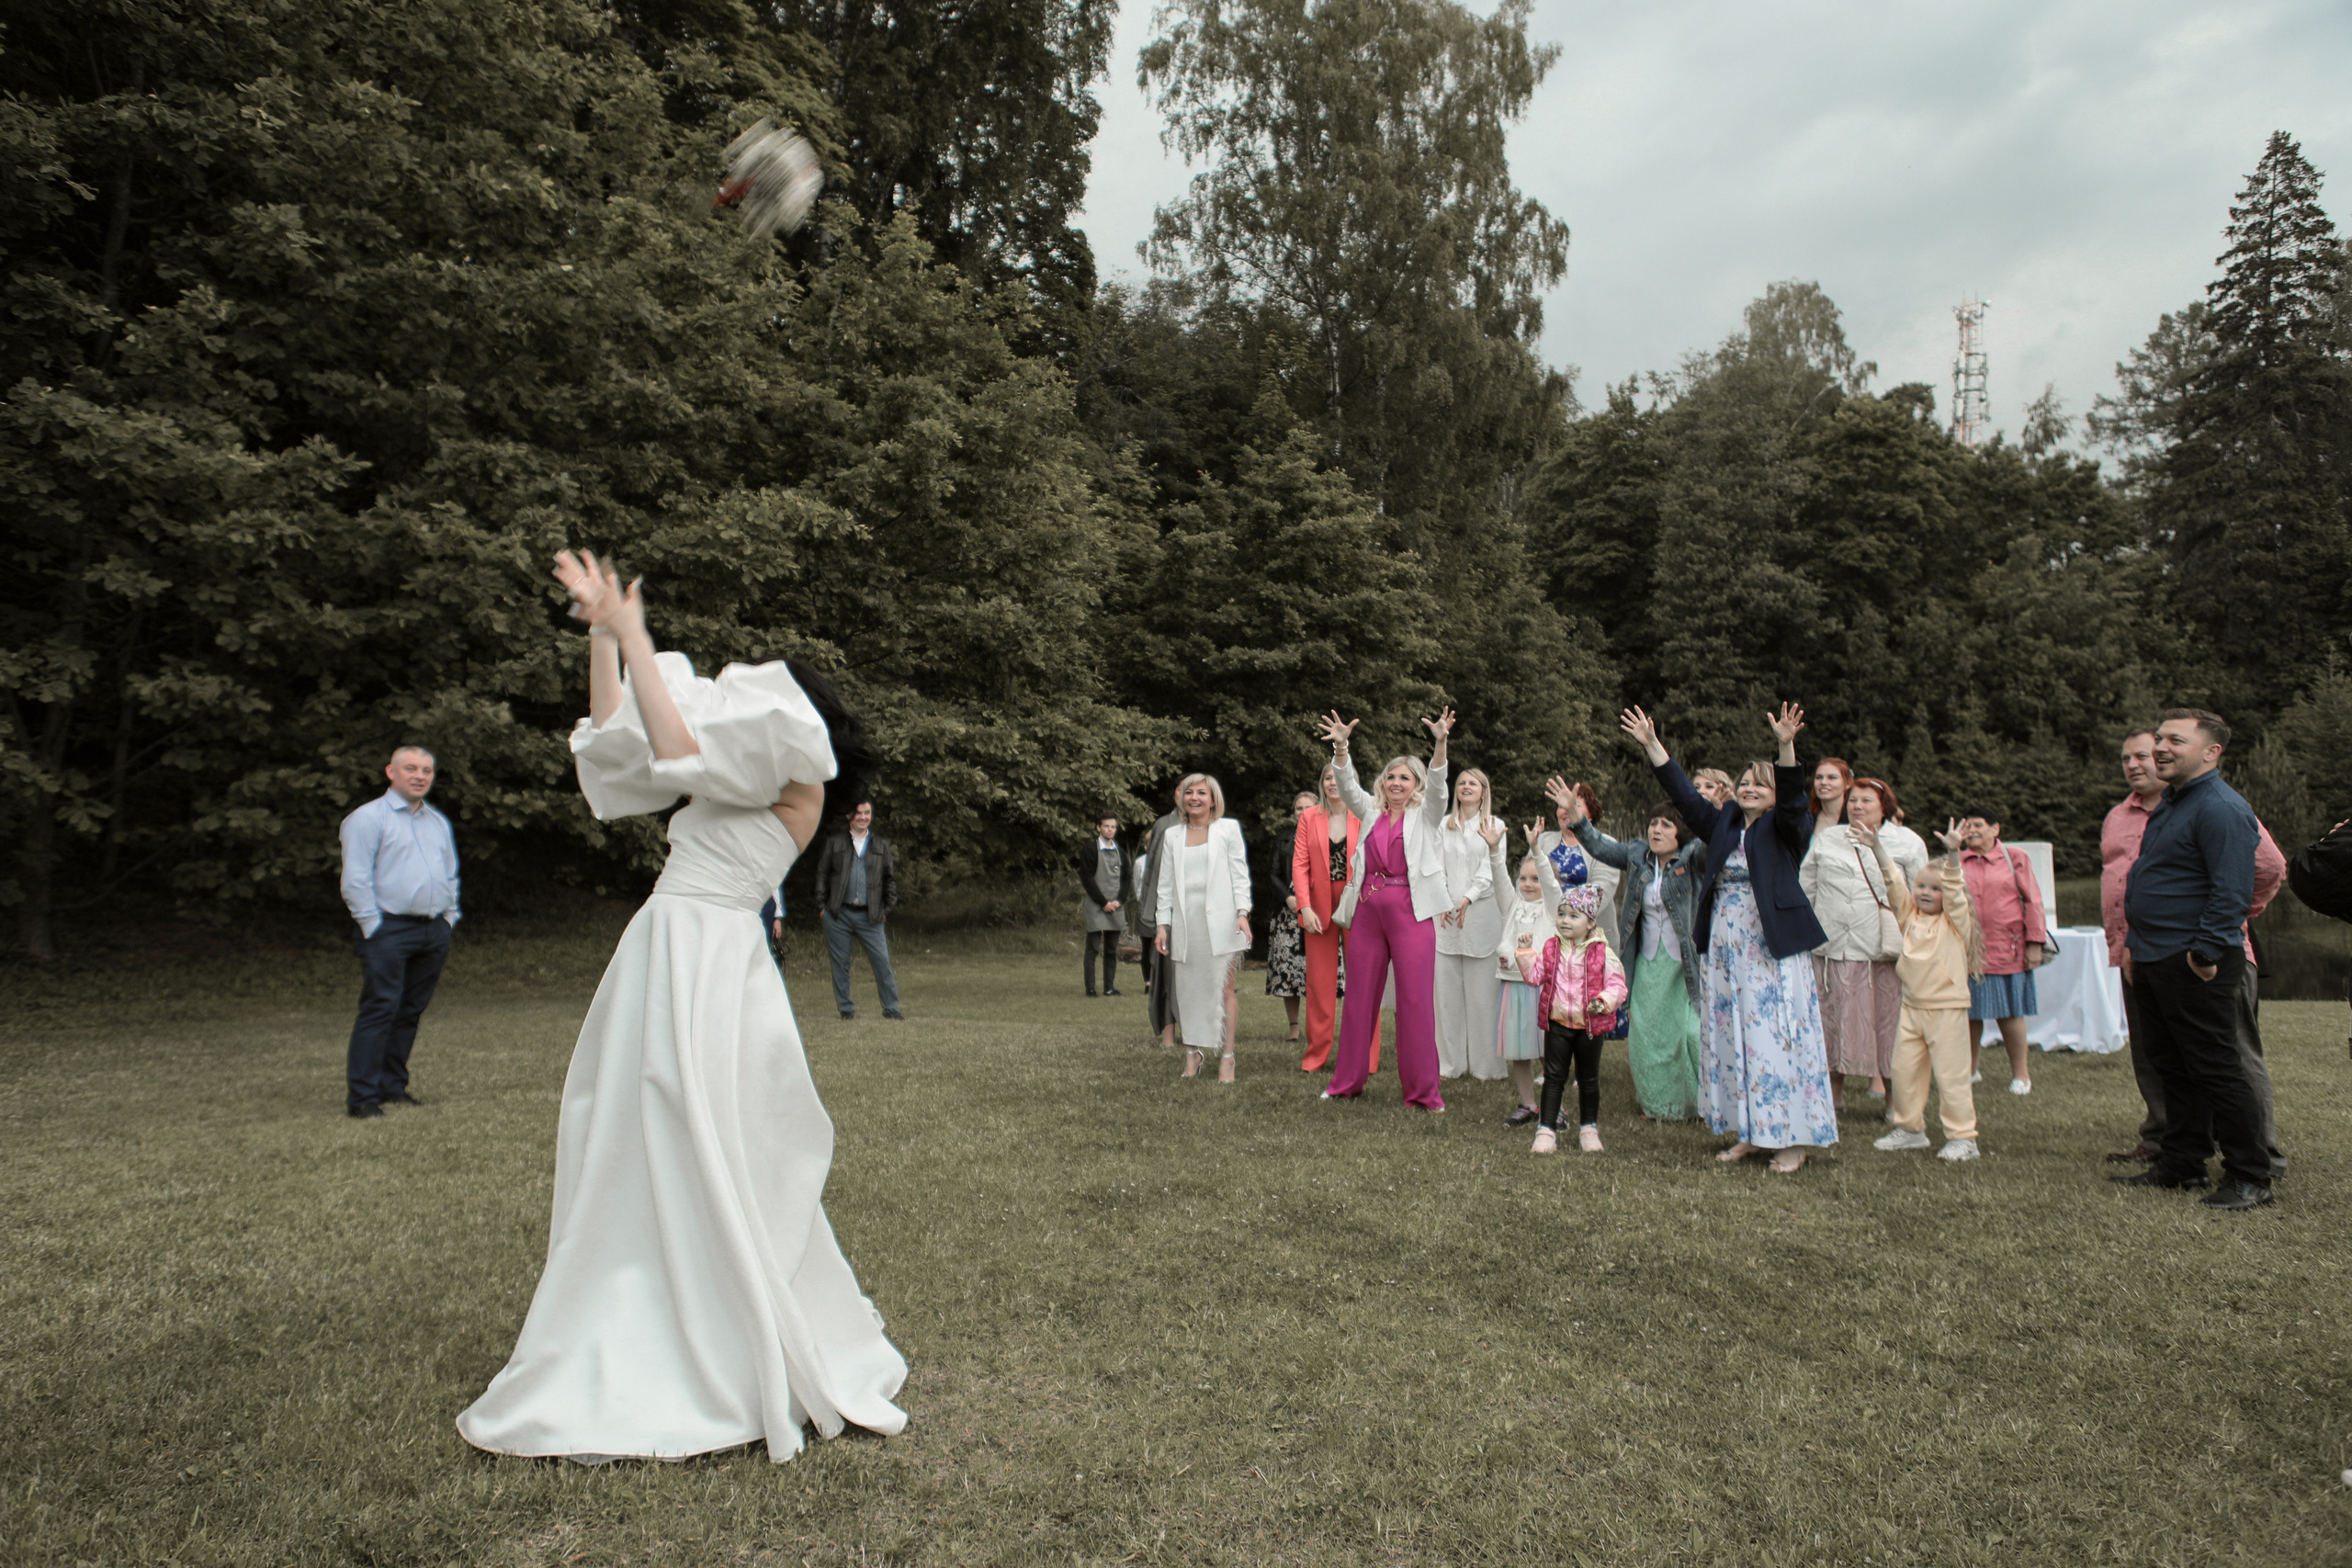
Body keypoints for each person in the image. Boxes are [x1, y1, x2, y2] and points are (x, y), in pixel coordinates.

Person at [458, 550, 905, 1462]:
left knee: (699, 1136)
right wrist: (603, 644)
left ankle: (719, 1331)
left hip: (709, 963)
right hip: (663, 952)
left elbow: (676, 747)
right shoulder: (749, 772)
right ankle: (635, 1299)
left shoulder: (798, 782)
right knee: (627, 1136)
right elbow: (622, 740)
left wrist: (636, 635)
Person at [1625, 702, 1837, 1174]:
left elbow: (1795, 800)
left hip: (1770, 946)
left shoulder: (1786, 828)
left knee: (1771, 1034)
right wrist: (1653, 745)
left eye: (1758, 783)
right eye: (1743, 782)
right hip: (1726, 945)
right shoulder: (1723, 823)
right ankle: (1750, 1132)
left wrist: (1785, 746)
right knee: (1735, 1035)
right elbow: (1683, 795)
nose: (1747, 787)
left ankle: (1789, 1138)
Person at [2101, 728, 2289, 1168]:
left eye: (2172, 743)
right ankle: (2181, 1161)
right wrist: (2132, 943)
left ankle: (2254, 1165)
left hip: (2197, 955)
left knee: (2222, 1062)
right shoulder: (2161, 807)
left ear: (2210, 752)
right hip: (2147, 953)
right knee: (2169, 1062)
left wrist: (2211, 943)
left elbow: (2248, 879)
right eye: (2158, 740)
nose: (2155, 753)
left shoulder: (2218, 806)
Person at [1317, 707, 1455, 1110]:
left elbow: (1441, 788)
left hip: (1411, 914)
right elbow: (1346, 783)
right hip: (1367, 913)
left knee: (1414, 1002)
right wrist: (1341, 747)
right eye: (1391, 777)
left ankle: (1423, 1094)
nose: (1396, 783)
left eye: (1405, 778)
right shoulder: (1372, 812)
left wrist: (1440, 744)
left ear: (1416, 786)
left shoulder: (1426, 816)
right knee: (1359, 998)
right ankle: (1346, 1084)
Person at [1556, 785, 1706, 1122]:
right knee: (1648, 1035)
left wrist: (1718, 813)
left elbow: (1714, 848)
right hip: (1647, 961)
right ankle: (1659, 1106)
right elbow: (1598, 845)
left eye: (1667, 824)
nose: (1657, 829)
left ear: (1682, 831)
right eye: (1654, 823)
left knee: (1689, 1034)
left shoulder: (1694, 856)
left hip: (1686, 963)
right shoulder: (1639, 857)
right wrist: (1575, 815)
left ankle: (1700, 1103)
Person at [338, 744, 460, 1118]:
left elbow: (449, 872)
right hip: (388, 930)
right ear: (391, 772)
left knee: (409, 1011)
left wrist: (448, 917)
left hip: (432, 930)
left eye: (426, 770)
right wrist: (373, 926)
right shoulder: (367, 818)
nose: (420, 775)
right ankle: (363, 1098)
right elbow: (355, 880)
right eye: (411, 768)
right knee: (380, 1010)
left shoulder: (436, 821)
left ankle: (393, 1086)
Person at [1800, 777, 1927, 1105]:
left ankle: (1895, 1101)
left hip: (1881, 952)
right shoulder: (1828, 838)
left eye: (1866, 801)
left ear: (1884, 806)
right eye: (1853, 800)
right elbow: (1807, 887)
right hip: (1832, 949)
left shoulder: (1907, 842)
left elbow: (1921, 894)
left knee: (1888, 1027)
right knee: (1830, 1023)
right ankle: (1831, 1099)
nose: (1857, 806)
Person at [1866, 821, 1983, 1161]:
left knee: (1952, 1076)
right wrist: (1877, 847)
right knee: (1903, 1071)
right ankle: (1910, 1130)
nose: (1925, 892)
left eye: (1935, 888)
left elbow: (1955, 891)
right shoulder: (1909, 916)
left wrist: (1952, 853)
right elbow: (1894, 884)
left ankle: (1963, 1138)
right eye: (1921, 886)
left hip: (1947, 1010)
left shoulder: (1956, 924)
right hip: (1912, 1008)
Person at [1513, 885, 1628, 1154]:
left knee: (1588, 1079)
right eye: (1562, 914)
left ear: (1590, 922)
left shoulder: (1601, 952)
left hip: (1589, 1027)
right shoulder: (1552, 948)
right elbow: (1534, 977)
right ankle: (1546, 1129)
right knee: (1553, 1076)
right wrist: (1526, 953)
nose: (1565, 920)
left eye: (1574, 915)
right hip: (1558, 1023)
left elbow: (1617, 984)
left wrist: (1603, 1001)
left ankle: (1589, 1128)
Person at [1153, 773, 1253, 1081]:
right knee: (1188, 991)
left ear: (1213, 799)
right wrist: (1162, 924)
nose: (1194, 798)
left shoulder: (1228, 828)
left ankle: (1227, 1057)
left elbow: (1239, 874)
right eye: (1188, 793)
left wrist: (1243, 911)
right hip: (1186, 923)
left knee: (1224, 990)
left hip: (1223, 922)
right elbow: (1165, 884)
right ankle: (1192, 1053)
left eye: (1201, 793)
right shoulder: (1172, 835)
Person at [1955, 810, 2048, 1093]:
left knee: (2010, 1014)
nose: (1972, 830)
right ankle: (1969, 1072)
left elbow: (2033, 900)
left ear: (1995, 828)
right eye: (1967, 825)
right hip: (1966, 950)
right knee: (1969, 1014)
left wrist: (2035, 943)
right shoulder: (1955, 860)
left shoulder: (2015, 857)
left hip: (2008, 948)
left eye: (1978, 825)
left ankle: (2021, 1075)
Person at [1434, 768, 1507, 1079]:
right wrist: (1444, 900)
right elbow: (1435, 866)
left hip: (1481, 917)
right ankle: (1450, 1065)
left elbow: (1491, 870)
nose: (1465, 787)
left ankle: (1486, 1067)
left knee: (1482, 999)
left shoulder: (1496, 826)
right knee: (1447, 1000)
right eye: (1461, 782)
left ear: (1484, 791)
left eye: (1472, 783)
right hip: (1445, 916)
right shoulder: (1443, 825)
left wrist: (1467, 897)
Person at [1292, 765, 1358, 1073]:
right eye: (1327, 778)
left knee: (1363, 982)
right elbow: (1300, 864)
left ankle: (1363, 1058)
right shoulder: (1309, 817)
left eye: (1338, 776)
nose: (1333, 782)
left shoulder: (1365, 813)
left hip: (1358, 904)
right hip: (1317, 907)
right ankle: (1316, 1056)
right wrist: (1304, 907)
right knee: (1319, 985)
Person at [814, 801, 902, 1021]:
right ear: (849, 815)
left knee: (882, 962)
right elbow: (822, 875)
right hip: (838, 914)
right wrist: (822, 908)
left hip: (871, 915)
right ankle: (846, 1009)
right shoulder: (835, 843)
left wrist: (887, 909)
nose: (863, 817)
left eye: (867, 812)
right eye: (858, 813)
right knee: (840, 964)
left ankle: (891, 1009)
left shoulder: (880, 845)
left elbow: (889, 880)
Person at [1493, 856, 1553, 1122]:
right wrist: (1494, 849)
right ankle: (1528, 1104)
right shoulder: (1513, 905)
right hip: (1513, 987)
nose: (1528, 884)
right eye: (1524, 878)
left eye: (1536, 878)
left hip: (1539, 989)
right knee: (1518, 1050)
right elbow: (1499, 877)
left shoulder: (1552, 907)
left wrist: (1537, 849)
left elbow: (1550, 882)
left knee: (1546, 1051)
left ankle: (1555, 1106)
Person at [1529, 783, 1623, 950]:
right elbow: (1525, 882)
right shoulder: (1542, 841)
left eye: (1574, 805)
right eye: (1561, 806)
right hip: (1545, 935)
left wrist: (1568, 921)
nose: (1565, 810)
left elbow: (1601, 891)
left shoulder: (1606, 844)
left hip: (1589, 939)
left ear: (1591, 814)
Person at [1264, 792, 1317, 1041]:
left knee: (1317, 973)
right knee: (1289, 974)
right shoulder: (1283, 839)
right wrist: (1289, 898)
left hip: (1319, 913)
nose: (1302, 811)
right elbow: (1273, 873)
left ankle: (1319, 1026)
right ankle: (1294, 1027)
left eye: (1308, 807)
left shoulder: (1329, 836)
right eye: (1298, 808)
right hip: (1288, 915)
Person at [1136, 790, 1184, 1048]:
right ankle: (1168, 1034)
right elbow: (1152, 874)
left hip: (1200, 914)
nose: (1190, 797)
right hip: (1169, 913)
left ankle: (1197, 1031)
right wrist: (1151, 916)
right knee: (1167, 975)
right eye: (1183, 791)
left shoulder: (1215, 828)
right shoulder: (1164, 826)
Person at [1075, 814, 1130, 998]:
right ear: (1098, 828)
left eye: (1113, 827)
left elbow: (1126, 878)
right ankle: (1090, 989)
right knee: (1092, 949)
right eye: (1106, 826)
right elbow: (1087, 878)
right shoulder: (1090, 849)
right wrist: (1103, 902)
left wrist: (1119, 900)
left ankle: (1109, 988)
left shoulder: (1120, 852)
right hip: (1097, 904)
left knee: (1112, 950)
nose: (1110, 830)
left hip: (1115, 905)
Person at [1807, 757, 1855, 840]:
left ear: (1847, 783)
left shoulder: (1855, 820)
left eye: (1832, 777)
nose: (1823, 782)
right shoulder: (1807, 819)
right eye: (1819, 777)